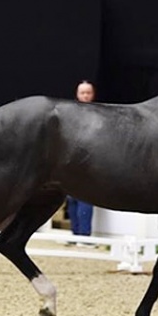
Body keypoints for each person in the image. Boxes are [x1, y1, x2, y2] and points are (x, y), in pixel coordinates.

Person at [66, 81, 97, 243]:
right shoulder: (71, 113)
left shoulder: (98, 113)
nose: (85, 95)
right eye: (82, 93)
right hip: (70, 161)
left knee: (85, 199)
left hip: (88, 162)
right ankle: (74, 232)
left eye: (88, 93)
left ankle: (84, 235)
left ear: (93, 94)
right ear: (77, 94)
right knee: (71, 200)